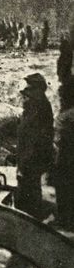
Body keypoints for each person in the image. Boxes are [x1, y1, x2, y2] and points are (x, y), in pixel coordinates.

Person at [15, 73, 54, 219]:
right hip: (33, 157)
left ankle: (30, 220)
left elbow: (34, 138)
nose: (25, 96)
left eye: (29, 92)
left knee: (28, 191)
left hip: (32, 158)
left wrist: (24, 162)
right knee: (30, 189)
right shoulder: (38, 105)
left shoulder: (37, 107)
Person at [52, 77, 74, 229]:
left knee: (64, 188)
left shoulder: (65, 117)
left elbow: (58, 139)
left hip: (66, 157)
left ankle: (65, 221)